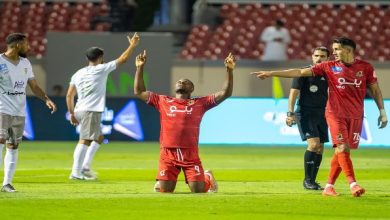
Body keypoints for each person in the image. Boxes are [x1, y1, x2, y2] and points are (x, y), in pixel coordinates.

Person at [251, 37, 388, 197]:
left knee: (343, 151)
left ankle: (329, 186)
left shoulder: (365, 67)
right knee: (342, 148)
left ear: (348, 50)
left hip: (356, 115)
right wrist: (271, 73)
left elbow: (375, 89)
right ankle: (353, 184)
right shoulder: (328, 67)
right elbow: (300, 72)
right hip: (335, 114)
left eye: (337, 49)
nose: (334, 53)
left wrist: (382, 112)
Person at [134, 50, 235, 193]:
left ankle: (207, 178)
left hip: (190, 154)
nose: (181, 82)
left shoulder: (200, 103)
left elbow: (226, 93)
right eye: (179, 81)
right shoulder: (163, 101)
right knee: (165, 191)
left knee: (198, 191)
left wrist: (229, 70)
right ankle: (163, 183)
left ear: (192, 89)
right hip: (168, 153)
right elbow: (139, 91)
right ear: (175, 87)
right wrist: (139, 67)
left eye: (186, 82)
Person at [66, 32, 139, 180]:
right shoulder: (101, 68)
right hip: (90, 110)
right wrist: (132, 45)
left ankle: (85, 167)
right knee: (85, 140)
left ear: (87, 58)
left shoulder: (78, 73)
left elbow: (69, 95)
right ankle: (75, 172)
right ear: (100, 58)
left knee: (99, 137)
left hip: (80, 109)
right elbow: (123, 59)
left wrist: (72, 113)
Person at [0, 33, 57, 192]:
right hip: (2, 109)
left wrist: (46, 99)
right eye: (26, 44)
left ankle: (6, 183)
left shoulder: (25, 63)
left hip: (19, 111)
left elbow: (33, 86)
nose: (29, 47)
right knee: (0, 141)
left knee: (13, 145)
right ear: (17, 45)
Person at [286, 46, 330, 190]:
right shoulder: (303, 73)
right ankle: (307, 180)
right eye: (316, 55)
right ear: (312, 57)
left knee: (320, 148)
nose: (319, 58)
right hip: (305, 112)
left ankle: (313, 181)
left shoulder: (330, 74)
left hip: (322, 113)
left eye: (322, 56)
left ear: (328, 59)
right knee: (313, 145)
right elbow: (293, 93)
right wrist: (290, 113)